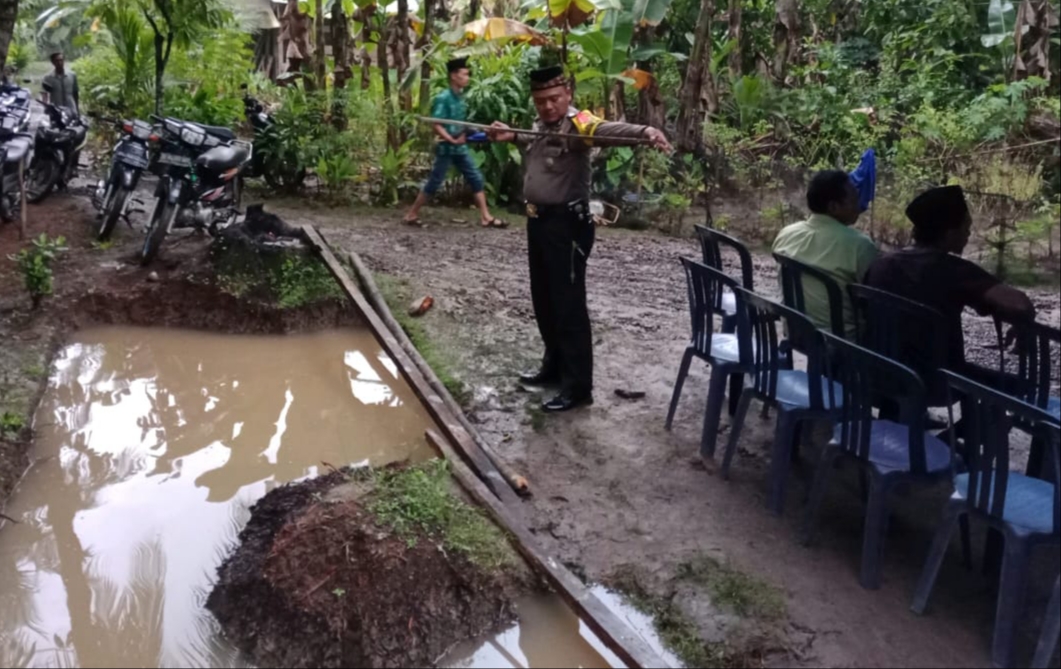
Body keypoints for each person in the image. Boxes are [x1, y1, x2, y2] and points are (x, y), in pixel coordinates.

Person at [488, 65, 671, 412]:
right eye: (541, 101)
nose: (548, 106)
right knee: (544, 299)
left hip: (566, 227)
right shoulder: (542, 124)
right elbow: (530, 137)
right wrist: (508, 135)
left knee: (568, 305)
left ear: (568, 94)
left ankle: (578, 387)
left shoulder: (580, 123)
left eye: (554, 99)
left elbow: (609, 131)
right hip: (538, 224)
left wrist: (645, 130)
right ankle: (553, 368)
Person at [864, 185, 1035, 377]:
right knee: (1021, 387)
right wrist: (1022, 325)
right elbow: (1020, 305)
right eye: (966, 228)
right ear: (949, 233)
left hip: (877, 375)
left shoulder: (880, 264)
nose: (969, 234)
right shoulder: (953, 269)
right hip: (938, 382)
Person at [772, 170, 878, 338]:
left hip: (796, 332)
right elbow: (875, 301)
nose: (859, 205)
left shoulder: (786, 234)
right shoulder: (859, 246)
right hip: (843, 341)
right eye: (853, 199)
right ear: (833, 207)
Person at [403, 57, 500, 228]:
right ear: (454, 76)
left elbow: (460, 125)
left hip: (460, 148)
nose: (467, 78)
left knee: (475, 178)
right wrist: (451, 139)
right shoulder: (444, 98)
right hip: (447, 148)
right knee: (434, 182)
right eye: (464, 74)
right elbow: (436, 123)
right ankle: (411, 214)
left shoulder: (460, 98)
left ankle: (486, 217)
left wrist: (472, 134)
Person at [41, 51, 79, 115]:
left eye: (61, 60)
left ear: (64, 61)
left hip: (71, 110)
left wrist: (77, 110)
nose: (59, 63)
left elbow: (75, 93)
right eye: (57, 61)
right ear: (53, 62)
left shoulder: (72, 75)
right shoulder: (48, 78)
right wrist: (46, 106)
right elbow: (44, 94)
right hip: (56, 111)